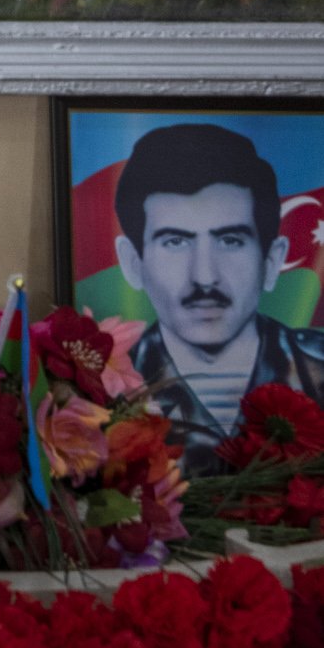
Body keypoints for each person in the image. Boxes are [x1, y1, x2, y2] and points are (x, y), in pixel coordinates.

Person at [115, 122, 324, 473]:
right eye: (175, 242)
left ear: (271, 261)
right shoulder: (100, 395)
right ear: (133, 263)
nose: (205, 276)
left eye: (230, 241)